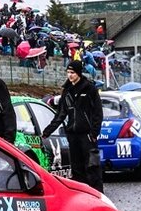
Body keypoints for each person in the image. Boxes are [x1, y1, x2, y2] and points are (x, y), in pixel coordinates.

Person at [42, 60, 104, 192]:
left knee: (92, 167)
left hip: (87, 135)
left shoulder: (90, 89)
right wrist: (47, 131)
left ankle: (98, 195)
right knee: (76, 168)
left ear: (79, 73)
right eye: (68, 72)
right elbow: (61, 114)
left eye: (72, 72)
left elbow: (98, 113)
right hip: (73, 135)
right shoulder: (67, 91)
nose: (70, 75)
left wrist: (94, 133)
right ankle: (82, 194)